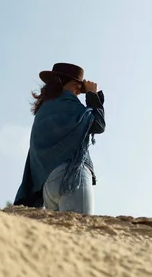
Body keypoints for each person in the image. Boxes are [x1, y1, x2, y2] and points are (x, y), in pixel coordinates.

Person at [14, 63, 105, 214]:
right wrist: (92, 95)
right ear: (66, 84)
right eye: (76, 86)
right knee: (79, 232)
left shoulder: (43, 111)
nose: (77, 92)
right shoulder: (69, 104)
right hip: (72, 177)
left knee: (64, 234)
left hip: (48, 185)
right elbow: (98, 124)